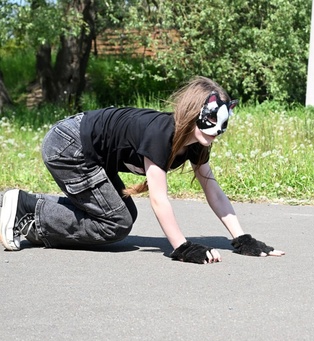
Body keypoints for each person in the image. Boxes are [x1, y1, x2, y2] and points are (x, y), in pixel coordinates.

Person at [0, 76, 284, 263]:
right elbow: (159, 198)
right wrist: (181, 247)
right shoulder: (162, 135)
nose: (217, 132)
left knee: (123, 215)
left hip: (83, 148)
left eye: (223, 123)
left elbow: (212, 188)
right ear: (193, 113)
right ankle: (27, 208)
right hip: (69, 145)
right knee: (117, 222)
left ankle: (23, 211)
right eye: (211, 121)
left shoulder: (198, 140)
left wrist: (241, 238)